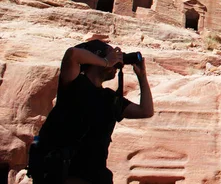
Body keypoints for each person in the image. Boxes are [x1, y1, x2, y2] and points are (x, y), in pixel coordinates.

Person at [30, 39, 154, 184]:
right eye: (111, 53)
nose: (116, 61)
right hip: (65, 174)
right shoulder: (74, 84)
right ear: (97, 57)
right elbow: (73, 54)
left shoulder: (110, 98)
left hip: (95, 174)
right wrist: (107, 61)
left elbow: (145, 111)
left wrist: (142, 76)